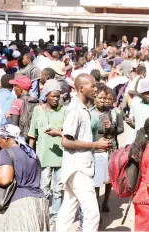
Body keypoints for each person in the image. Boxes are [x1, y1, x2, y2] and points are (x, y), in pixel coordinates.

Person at [56, 73, 112, 231]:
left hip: (79, 166)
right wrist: (95, 144)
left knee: (67, 210)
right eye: (92, 86)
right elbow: (66, 141)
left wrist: (95, 146)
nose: (95, 89)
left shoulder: (84, 108)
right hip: (78, 168)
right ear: (81, 88)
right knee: (93, 213)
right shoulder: (75, 109)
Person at [0, 124, 49, 231]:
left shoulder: (6, 153)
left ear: (5, 138)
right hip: (39, 201)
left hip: (20, 205)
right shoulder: (30, 152)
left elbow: (4, 180)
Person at [28, 79, 66, 226]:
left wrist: (59, 133)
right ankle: (43, 213)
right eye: (53, 96)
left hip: (60, 157)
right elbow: (32, 134)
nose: (56, 99)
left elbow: (68, 132)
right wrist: (31, 154)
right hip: (43, 156)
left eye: (58, 96)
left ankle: (55, 217)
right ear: (46, 95)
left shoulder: (64, 111)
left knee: (58, 190)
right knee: (44, 188)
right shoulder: (38, 110)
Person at [92, 83, 115, 215]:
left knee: (103, 180)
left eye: (104, 98)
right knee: (95, 183)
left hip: (103, 151)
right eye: (100, 98)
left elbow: (111, 134)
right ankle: (96, 211)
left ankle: (103, 204)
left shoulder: (108, 112)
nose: (103, 101)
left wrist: (110, 128)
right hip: (92, 150)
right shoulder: (89, 112)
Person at [126, 78, 149, 144]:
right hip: (137, 141)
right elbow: (136, 126)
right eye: (148, 92)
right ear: (142, 93)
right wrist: (130, 123)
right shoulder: (135, 106)